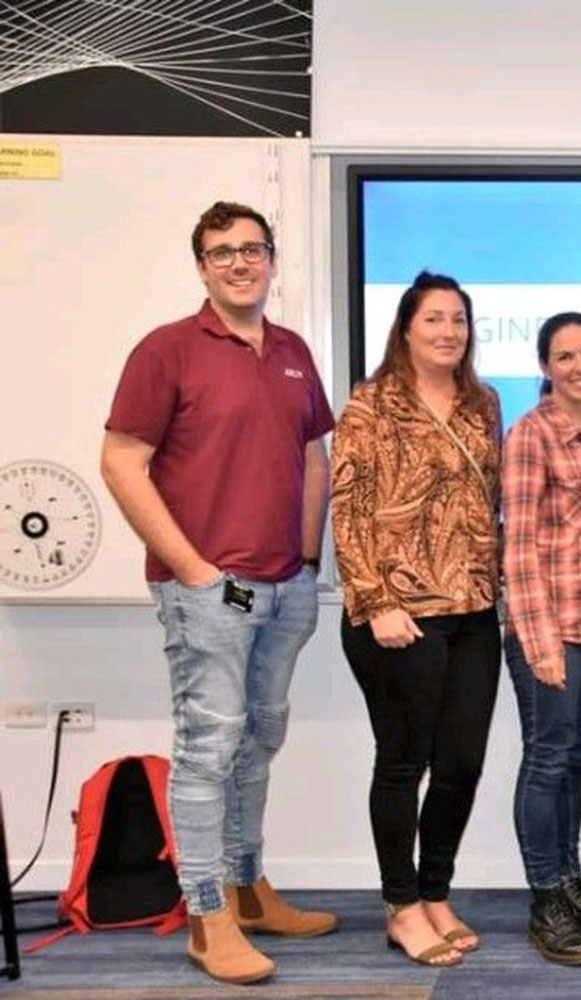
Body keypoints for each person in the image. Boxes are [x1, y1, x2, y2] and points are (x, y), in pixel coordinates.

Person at [101, 201, 338, 984]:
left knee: (258, 740)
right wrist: (196, 571)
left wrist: (306, 561)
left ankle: (247, 886)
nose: (241, 263)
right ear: (201, 267)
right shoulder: (166, 351)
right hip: (211, 591)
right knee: (209, 748)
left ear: (272, 260)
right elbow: (121, 464)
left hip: (283, 590)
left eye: (253, 249)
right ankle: (208, 916)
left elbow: (312, 459)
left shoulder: (295, 352)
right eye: (222, 252)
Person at [331, 271, 502, 969]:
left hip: (474, 610)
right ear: (406, 328)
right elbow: (346, 510)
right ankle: (401, 907)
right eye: (433, 319)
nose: (447, 331)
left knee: (460, 762)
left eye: (458, 319)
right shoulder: (371, 405)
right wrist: (378, 602)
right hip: (397, 617)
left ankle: (436, 893)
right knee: (404, 763)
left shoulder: (481, 403)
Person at [502, 311, 581, 967]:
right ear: (546, 365)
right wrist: (539, 641)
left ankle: (570, 881)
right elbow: (518, 545)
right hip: (551, 631)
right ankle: (545, 898)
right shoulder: (529, 435)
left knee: (575, 760)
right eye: (566, 356)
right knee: (547, 762)